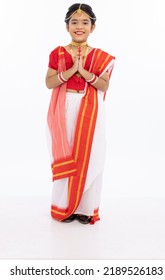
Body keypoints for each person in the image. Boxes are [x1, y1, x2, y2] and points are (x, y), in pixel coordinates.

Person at [45, 3, 115, 225]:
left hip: (91, 109)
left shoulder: (100, 56)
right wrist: (70, 71)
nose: (79, 26)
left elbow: (104, 87)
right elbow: (49, 82)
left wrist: (83, 71)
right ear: (67, 26)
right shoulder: (57, 53)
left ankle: (85, 209)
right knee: (66, 154)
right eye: (74, 22)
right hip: (64, 108)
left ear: (93, 27)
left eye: (85, 22)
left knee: (91, 154)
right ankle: (65, 207)